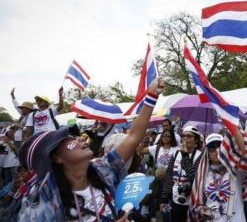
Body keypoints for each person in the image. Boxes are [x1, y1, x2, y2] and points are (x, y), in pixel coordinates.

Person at [18, 79, 164, 222]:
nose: (80, 139)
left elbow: (133, 137)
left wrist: (151, 96)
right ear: (56, 157)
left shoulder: (101, 169)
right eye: (70, 140)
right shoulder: (43, 203)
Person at [190, 131, 247, 222]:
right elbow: (199, 200)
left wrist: (233, 127)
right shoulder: (203, 175)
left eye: (220, 148)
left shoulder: (236, 169)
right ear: (207, 154)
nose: (217, 152)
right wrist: (202, 210)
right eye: (212, 150)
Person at [160, 125, 203, 222]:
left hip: (192, 202)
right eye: (183, 136)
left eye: (189, 136)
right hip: (176, 199)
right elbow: (169, 176)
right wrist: (164, 197)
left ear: (196, 140)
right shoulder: (176, 154)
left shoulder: (200, 156)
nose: (185, 138)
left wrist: (185, 156)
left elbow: (194, 179)